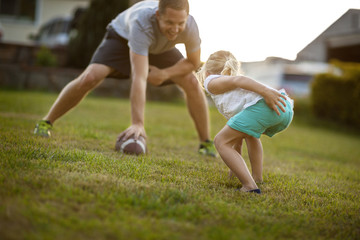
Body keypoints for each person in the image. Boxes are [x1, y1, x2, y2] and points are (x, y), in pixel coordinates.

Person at [33, 0, 216, 157]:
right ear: (158, 14)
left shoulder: (190, 26)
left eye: (180, 23)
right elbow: (139, 76)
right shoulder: (142, 22)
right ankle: (45, 122)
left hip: (161, 48)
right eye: (170, 22)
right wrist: (138, 123)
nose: (175, 29)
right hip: (121, 38)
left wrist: (165, 74)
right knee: (90, 77)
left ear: (187, 18)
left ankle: (206, 144)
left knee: (192, 82)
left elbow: (193, 62)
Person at [196, 50, 294, 193]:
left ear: (207, 71)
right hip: (283, 107)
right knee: (250, 135)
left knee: (220, 141)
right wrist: (233, 170)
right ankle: (256, 177)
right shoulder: (233, 94)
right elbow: (237, 141)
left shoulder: (211, 81)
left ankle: (250, 186)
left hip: (268, 102)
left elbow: (240, 80)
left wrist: (266, 92)